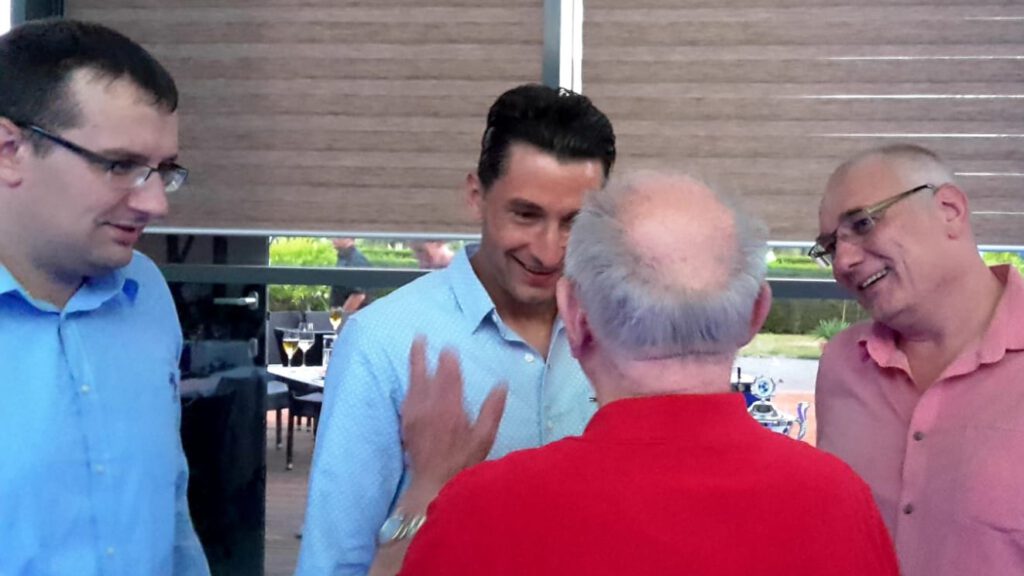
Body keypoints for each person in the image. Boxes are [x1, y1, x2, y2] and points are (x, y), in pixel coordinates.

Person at [398, 171, 899, 576]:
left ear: (575, 316)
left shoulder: (481, 513)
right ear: (756, 313)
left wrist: (422, 499)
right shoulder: (839, 504)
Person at [297, 83, 616, 575]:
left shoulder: (624, 336)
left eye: (574, 222)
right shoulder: (382, 341)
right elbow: (335, 562)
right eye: (525, 214)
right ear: (476, 196)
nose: (548, 250)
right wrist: (433, 490)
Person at [0, 19, 209, 575]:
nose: (156, 204)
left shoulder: (147, 296)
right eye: (120, 165)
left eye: (164, 170)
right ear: (9, 149)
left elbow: (169, 511)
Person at [812, 143, 1024, 576]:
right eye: (830, 246)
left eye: (863, 223)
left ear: (949, 210)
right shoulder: (841, 364)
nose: (844, 262)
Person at [329, 237, 370, 310]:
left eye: (337, 236)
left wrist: (340, 316)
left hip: (354, 315)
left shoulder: (356, 261)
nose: (333, 239)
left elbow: (358, 295)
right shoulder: (344, 258)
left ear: (348, 238)